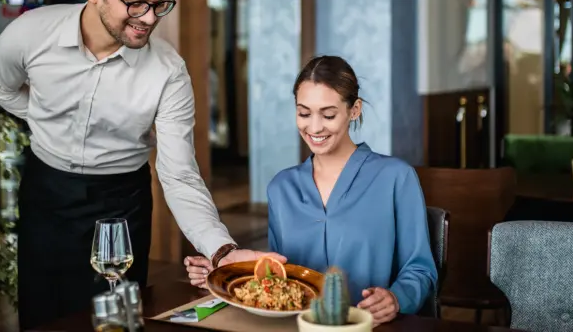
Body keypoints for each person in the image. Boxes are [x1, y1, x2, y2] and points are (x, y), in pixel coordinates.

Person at [0, 0, 283, 330]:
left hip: (122, 203)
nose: (149, 17)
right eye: (136, 3)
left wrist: (221, 251)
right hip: (47, 193)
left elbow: (178, 174)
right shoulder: (31, 33)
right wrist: (43, 119)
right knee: (44, 317)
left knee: (117, 321)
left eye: (161, 4)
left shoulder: (169, 71)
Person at [184, 55, 436, 325]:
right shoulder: (282, 188)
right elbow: (283, 275)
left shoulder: (396, 178)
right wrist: (226, 271)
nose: (314, 127)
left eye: (328, 115)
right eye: (304, 113)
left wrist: (397, 298)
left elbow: (421, 270)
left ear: (355, 110)